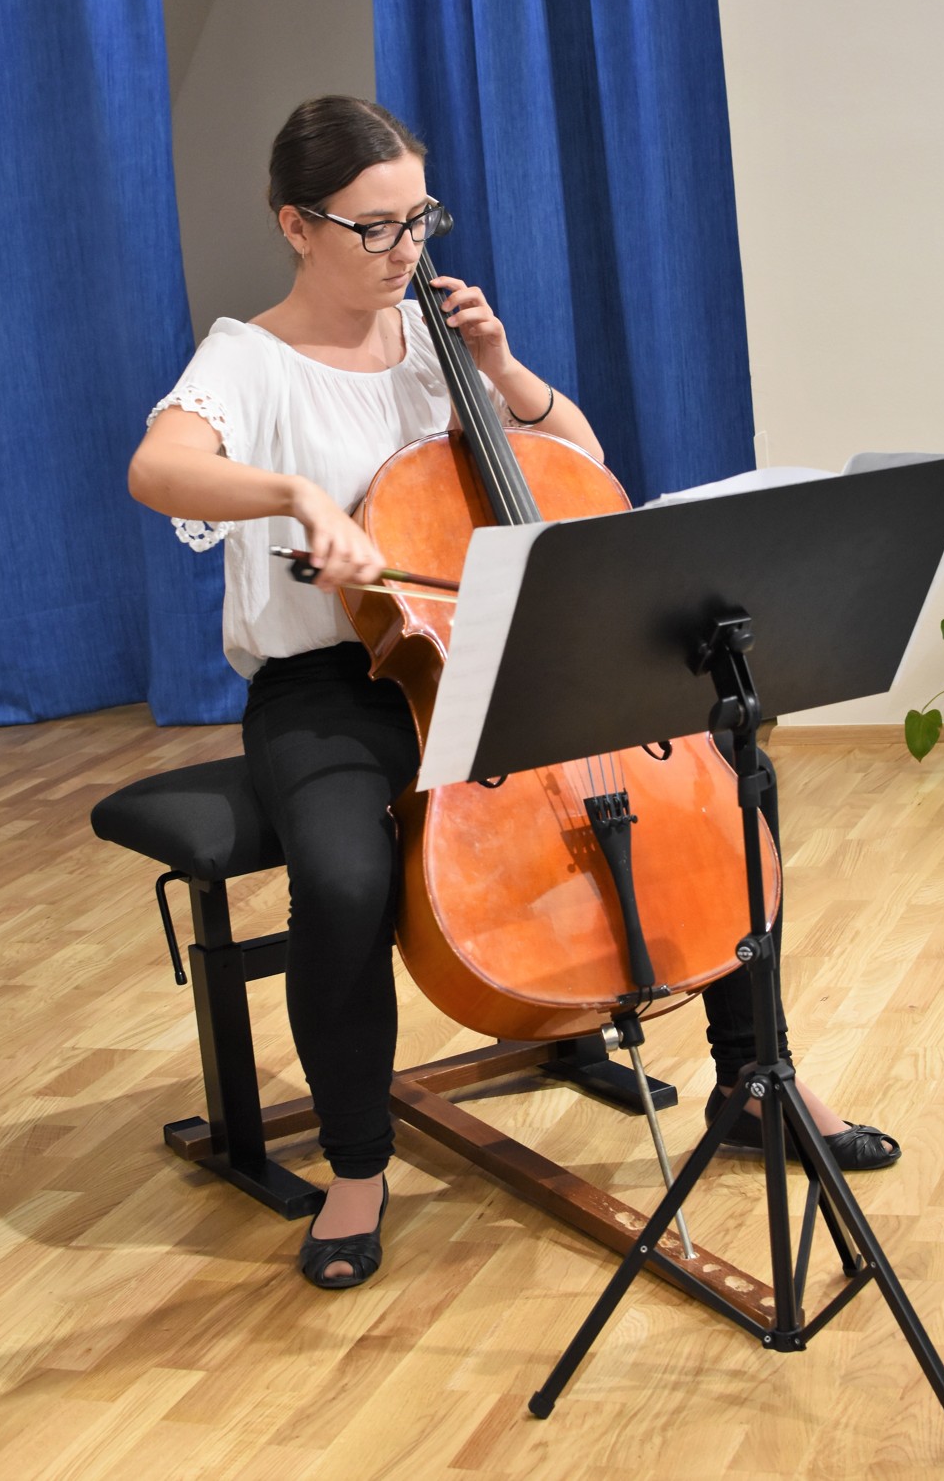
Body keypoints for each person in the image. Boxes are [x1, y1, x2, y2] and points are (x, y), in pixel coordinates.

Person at [128, 95, 898, 1291]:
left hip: (490, 647)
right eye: (375, 227)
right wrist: (294, 495)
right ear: (296, 224)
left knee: (729, 780)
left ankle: (753, 1083)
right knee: (343, 878)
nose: (405, 250)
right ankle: (357, 1164)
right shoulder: (248, 357)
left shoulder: (435, 342)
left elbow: (578, 468)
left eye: (418, 220)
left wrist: (499, 366)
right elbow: (159, 465)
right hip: (329, 686)